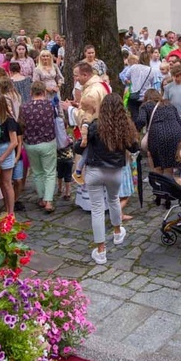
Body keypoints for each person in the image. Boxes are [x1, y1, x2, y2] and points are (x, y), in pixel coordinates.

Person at [77, 94, 139, 265]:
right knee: (113, 200)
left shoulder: (94, 126)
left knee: (97, 209)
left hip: (95, 171)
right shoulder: (124, 127)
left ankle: (101, 250)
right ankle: (118, 232)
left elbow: (78, 147)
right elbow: (134, 147)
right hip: (115, 171)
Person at [19, 81, 58, 212]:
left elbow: (21, 125)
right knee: (50, 172)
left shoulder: (24, 107)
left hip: (30, 143)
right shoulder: (50, 105)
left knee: (37, 172)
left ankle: (42, 197)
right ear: (44, 92)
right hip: (47, 141)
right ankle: (48, 201)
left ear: (31, 93)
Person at [135, 90, 181, 175]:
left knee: (157, 165)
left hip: (157, 135)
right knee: (169, 165)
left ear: (146, 98)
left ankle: (159, 184)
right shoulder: (169, 104)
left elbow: (141, 120)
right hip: (175, 134)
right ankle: (169, 185)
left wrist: (136, 131)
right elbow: (179, 122)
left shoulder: (146, 106)